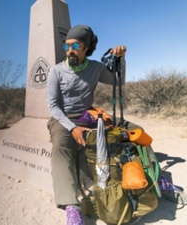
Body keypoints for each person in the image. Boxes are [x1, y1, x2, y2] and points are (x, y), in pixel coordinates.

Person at [46, 25, 127, 225]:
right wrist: (72, 128)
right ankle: (71, 206)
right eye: (67, 46)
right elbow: (53, 106)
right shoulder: (56, 71)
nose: (70, 50)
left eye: (75, 45)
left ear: (87, 47)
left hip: (86, 115)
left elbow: (119, 82)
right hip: (62, 118)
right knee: (61, 147)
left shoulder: (96, 68)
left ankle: (152, 178)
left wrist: (121, 59)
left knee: (130, 130)